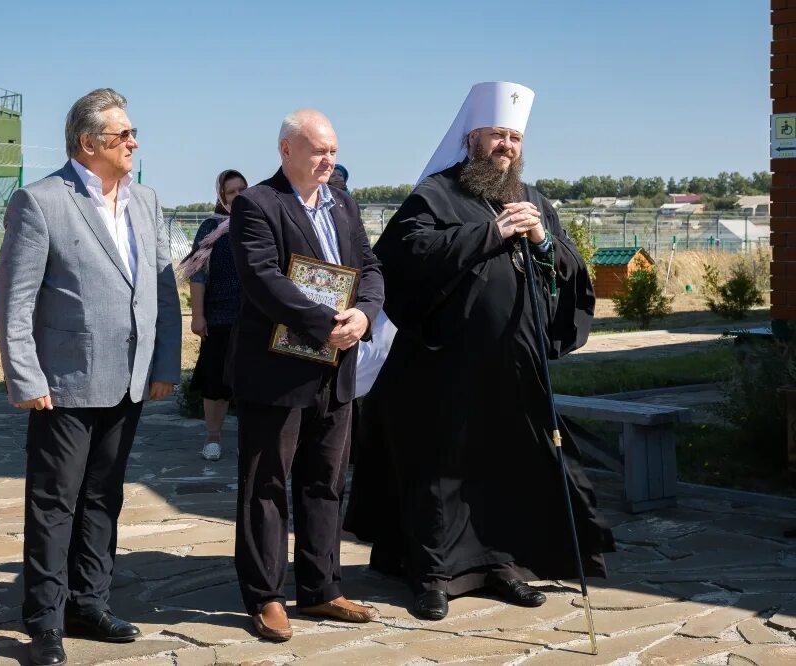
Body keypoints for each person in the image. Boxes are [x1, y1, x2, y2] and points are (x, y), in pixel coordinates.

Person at [344, 82, 614, 621]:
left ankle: (505, 565)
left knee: (507, 468)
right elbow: (404, 256)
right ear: (472, 138)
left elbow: (570, 273)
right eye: (497, 135)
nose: (506, 146)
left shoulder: (535, 199)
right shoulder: (435, 195)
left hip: (513, 367)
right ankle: (433, 575)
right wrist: (488, 234)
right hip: (440, 366)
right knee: (439, 474)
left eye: (514, 137)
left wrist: (542, 243)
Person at [0, 88, 181, 666]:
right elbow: (14, 301)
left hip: (128, 378)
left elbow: (163, 290)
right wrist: (26, 378)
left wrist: (165, 364)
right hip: (64, 384)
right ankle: (45, 620)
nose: (134, 142)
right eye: (123, 134)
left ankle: (90, 603)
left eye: (132, 132)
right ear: (88, 142)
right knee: (55, 503)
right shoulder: (41, 201)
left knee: (104, 498)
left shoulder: (145, 200)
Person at [227, 109, 384, 642]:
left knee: (326, 481)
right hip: (277, 372)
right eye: (318, 150)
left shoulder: (342, 201)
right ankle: (266, 596)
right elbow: (263, 279)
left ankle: (321, 589)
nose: (329, 160)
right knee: (266, 485)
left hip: (336, 369)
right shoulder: (256, 204)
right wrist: (327, 324)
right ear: (286, 151)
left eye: (334, 150)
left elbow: (371, 267)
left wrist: (362, 315)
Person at [177, 170, 248, 462]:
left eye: (243, 189)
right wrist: (198, 316)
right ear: (222, 196)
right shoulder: (211, 227)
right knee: (216, 382)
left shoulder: (259, 223)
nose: (239, 196)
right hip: (219, 316)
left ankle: (251, 439)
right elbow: (198, 275)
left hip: (253, 319)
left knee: (251, 383)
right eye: (232, 192)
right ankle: (213, 438)